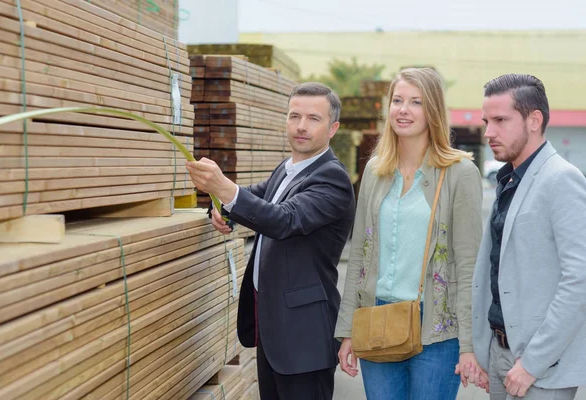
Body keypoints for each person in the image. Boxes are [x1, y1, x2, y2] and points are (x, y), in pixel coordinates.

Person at [185, 82, 356, 400]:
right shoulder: (288, 169)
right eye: (294, 116)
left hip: (303, 339)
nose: (301, 127)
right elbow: (253, 197)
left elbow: (285, 219)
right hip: (274, 332)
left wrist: (225, 189)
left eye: (313, 119)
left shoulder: (332, 178)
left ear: (333, 128)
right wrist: (220, 206)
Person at [334, 67, 484, 400]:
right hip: (378, 318)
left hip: (437, 333)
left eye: (416, 102)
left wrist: (469, 345)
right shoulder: (375, 170)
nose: (404, 110)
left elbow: (469, 265)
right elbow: (359, 254)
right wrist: (348, 331)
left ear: (433, 111)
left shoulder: (460, 173)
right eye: (398, 100)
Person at [466, 73, 586, 399]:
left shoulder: (561, 179)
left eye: (500, 120)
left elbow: (579, 280)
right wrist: (482, 347)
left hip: (541, 367)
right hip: (499, 351)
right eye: (486, 121)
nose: (488, 132)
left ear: (534, 120)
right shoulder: (508, 180)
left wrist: (533, 363)